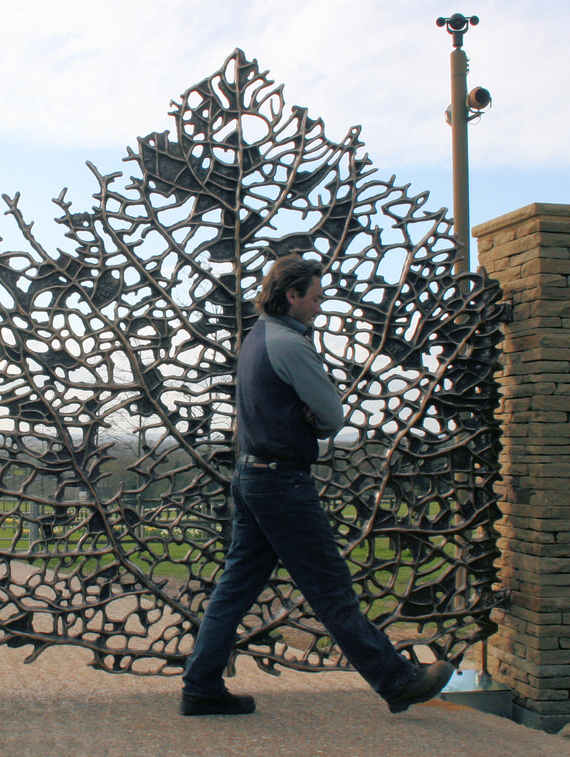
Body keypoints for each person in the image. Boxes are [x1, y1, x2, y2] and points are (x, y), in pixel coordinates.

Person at [180, 254, 454, 716]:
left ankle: (201, 686)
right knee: (331, 590)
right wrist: (310, 415)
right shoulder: (290, 344)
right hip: (282, 484)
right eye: (315, 297)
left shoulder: (256, 336)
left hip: (251, 477)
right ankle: (398, 680)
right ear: (292, 295)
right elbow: (331, 416)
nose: (319, 306)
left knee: (234, 589)